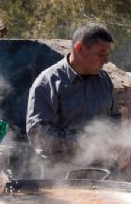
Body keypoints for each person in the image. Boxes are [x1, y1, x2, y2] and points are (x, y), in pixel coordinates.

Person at [26, 22, 122, 178]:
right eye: (101, 54)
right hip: (61, 178)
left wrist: (112, 135)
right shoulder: (47, 83)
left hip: (104, 174)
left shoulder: (104, 80)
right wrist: (82, 141)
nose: (106, 61)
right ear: (80, 48)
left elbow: (114, 118)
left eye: (108, 54)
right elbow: (39, 135)